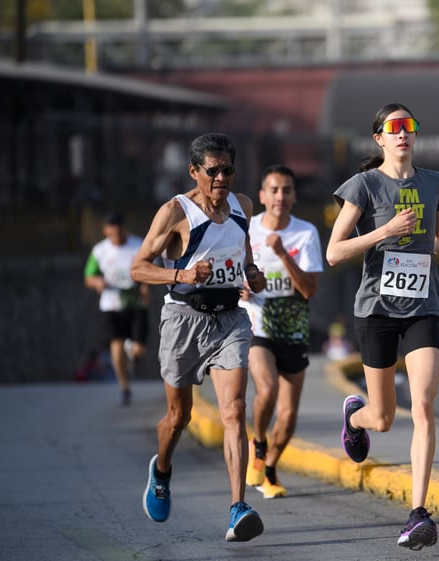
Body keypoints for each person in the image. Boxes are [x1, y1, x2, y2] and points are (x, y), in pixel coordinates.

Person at [325, 103, 439, 551]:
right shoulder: (364, 185)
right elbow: (334, 252)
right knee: (383, 419)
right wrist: (383, 232)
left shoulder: (434, 184)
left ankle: (418, 512)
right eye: (395, 128)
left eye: (410, 127)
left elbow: (433, 240)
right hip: (377, 310)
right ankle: (356, 417)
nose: (404, 134)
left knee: (423, 405)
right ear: (379, 139)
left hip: (423, 306)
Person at [130, 132, 267, 542]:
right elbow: (139, 267)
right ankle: (162, 470)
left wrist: (252, 274)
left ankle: (237, 507)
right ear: (195, 171)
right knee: (178, 419)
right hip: (183, 320)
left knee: (234, 410)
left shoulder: (243, 206)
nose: (221, 177)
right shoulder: (175, 212)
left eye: (228, 170)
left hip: (230, 320)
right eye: (213, 171)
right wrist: (181, 274)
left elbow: (243, 255)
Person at [239, 164, 323, 499]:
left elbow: (308, 290)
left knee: (287, 416)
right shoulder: (247, 229)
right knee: (267, 389)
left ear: (294, 196)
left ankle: (270, 469)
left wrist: (281, 253)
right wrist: (238, 289)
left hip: (294, 326)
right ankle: (258, 443)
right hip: (257, 323)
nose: (280, 197)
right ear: (262, 195)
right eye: (273, 190)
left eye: (286, 190)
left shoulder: (306, 233)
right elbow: (229, 271)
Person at [83, 211, 149, 405]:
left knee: (139, 348)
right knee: (116, 344)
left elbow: (151, 268)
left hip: (135, 302)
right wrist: (97, 282)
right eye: (112, 233)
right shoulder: (99, 251)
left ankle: (133, 354)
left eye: (119, 232)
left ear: (124, 229)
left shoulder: (138, 245)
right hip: (111, 304)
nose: (116, 236)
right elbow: (88, 276)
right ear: (106, 231)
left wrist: (145, 285)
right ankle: (124, 387)